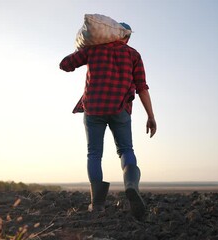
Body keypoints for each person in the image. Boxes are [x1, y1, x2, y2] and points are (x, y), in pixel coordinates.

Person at [59, 22, 156, 219]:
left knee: (94, 153)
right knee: (126, 150)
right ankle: (131, 185)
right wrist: (151, 116)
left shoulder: (94, 50)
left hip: (93, 109)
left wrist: (84, 49)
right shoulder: (133, 54)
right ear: (126, 37)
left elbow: (65, 65)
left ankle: (97, 205)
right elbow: (142, 87)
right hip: (120, 109)